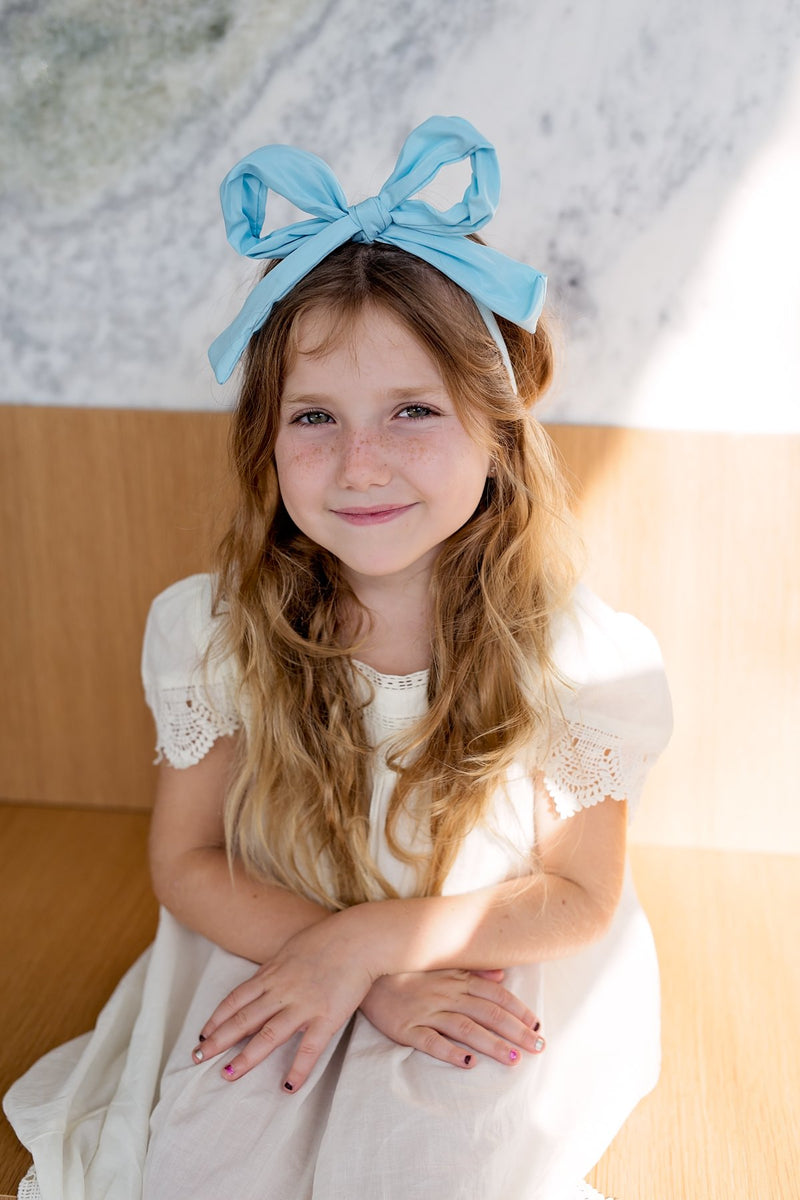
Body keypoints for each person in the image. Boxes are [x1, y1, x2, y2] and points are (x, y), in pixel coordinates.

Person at [4, 116, 672, 1200]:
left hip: (478, 960)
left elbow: (577, 897)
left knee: (428, 1170)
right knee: (199, 1165)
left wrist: (376, 950)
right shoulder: (213, 632)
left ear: (496, 432)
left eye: (412, 410)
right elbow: (187, 860)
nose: (360, 464)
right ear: (266, 443)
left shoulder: (574, 658)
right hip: (276, 934)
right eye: (315, 416)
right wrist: (349, 964)